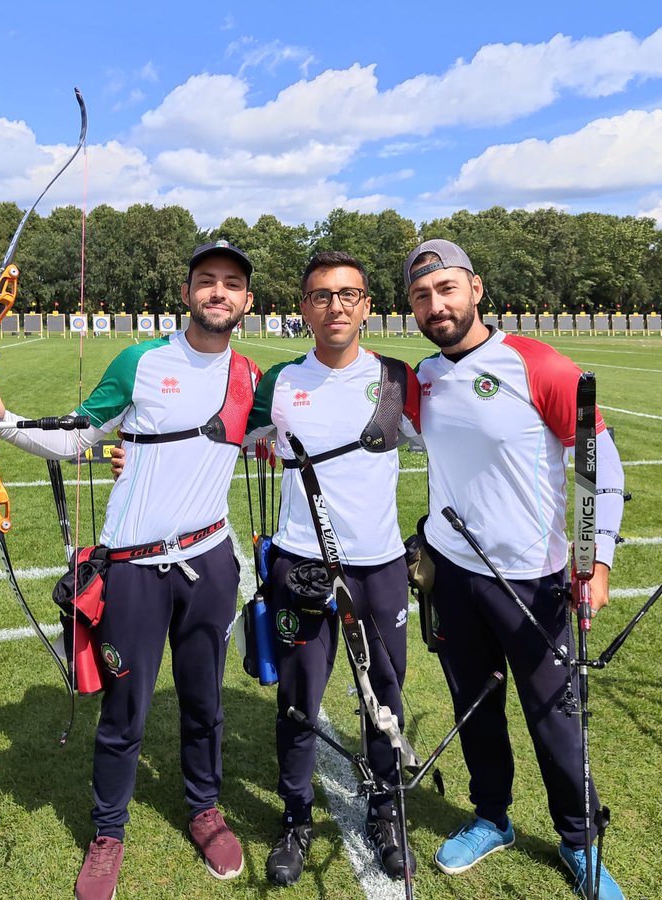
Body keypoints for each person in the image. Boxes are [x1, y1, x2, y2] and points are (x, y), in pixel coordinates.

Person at [0, 240, 261, 900]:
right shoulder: (141, 362)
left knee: (205, 703)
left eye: (231, 284)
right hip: (131, 570)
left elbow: (291, 439)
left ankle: (205, 810)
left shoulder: (251, 380)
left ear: (247, 302)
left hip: (210, 563)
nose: (218, 292)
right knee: (126, 710)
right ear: (186, 294)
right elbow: (75, 437)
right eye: (205, 281)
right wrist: (1, 422)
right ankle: (108, 832)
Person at [404, 239, 626, 900]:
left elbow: (598, 463)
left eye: (446, 289)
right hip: (450, 574)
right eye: (421, 296)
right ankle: (491, 817)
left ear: (476, 287)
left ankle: (578, 839)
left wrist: (597, 559)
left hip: (533, 579)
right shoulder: (421, 377)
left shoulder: (539, 364)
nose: (435, 305)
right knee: (476, 707)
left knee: (554, 716)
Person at [243, 251, 421, 885]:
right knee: (299, 700)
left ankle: (384, 810)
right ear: (304, 309)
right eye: (322, 295)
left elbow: (459, 446)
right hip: (300, 565)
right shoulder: (279, 382)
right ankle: (295, 817)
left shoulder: (401, 381)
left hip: (379, 567)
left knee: (386, 693)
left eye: (349, 295)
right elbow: (228, 441)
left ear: (368, 305)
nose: (336, 306)